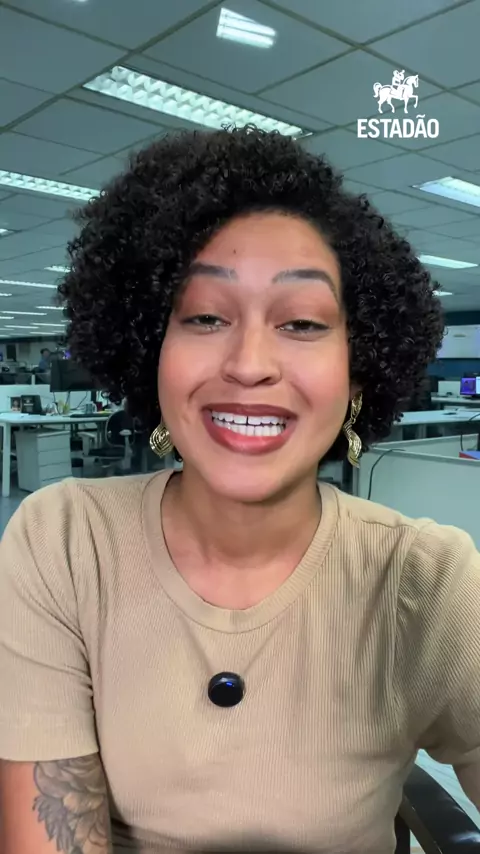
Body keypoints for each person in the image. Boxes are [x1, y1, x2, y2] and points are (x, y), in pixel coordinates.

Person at [0, 127, 479, 854]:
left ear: (358, 372)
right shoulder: (64, 543)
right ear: (150, 351)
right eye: (204, 316)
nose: (249, 363)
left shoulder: (428, 582)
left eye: (302, 323)